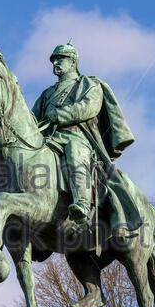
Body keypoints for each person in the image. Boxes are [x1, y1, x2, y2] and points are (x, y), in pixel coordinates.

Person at [32, 41, 142, 233]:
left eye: (60, 59)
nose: (55, 63)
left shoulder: (89, 84)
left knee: (75, 151)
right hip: (50, 139)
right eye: (54, 60)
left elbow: (88, 107)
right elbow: (32, 119)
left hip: (79, 138)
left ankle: (82, 203)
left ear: (73, 61)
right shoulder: (47, 94)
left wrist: (60, 114)